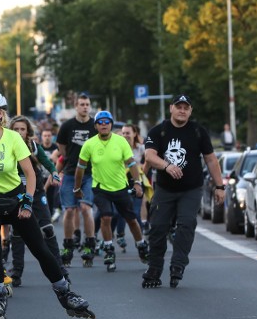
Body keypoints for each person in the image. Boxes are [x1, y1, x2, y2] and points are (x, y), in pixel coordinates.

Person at [0, 90, 94, 319]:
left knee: (39, 247)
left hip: (15, 200)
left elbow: (29, 173)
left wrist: (27, 201)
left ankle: (65, 292)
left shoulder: (13, 138)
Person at [143, 94, 225, 289]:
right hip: (165, 189)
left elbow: (211, 159)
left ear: (190, 111)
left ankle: (177, 266)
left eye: (185, 107)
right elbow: (149, 156)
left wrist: (220, 186)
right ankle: (154, 268)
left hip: (191, 189)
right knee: (157, 228)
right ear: (171, 108)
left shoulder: (198, 131)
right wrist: (167, 166)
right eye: (178, 106)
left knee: (186, 225)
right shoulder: (159, 131)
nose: (182, 110)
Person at [74, 111, 148, 272]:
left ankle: (141, 245)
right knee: (106, 217)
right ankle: (109, 250)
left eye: (107, 122)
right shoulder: (89, 144)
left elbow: (131, 164)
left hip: (121, 187)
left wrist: (137, 183)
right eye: (100, 122)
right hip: (100, 188)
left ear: (111, 124)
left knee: (131, 219)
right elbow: (80, 169)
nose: (104, 124)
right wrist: (77, 188)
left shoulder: (121, 142)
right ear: (96, 126)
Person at [8, 115, 67, 287]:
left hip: (36, 191)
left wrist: (54, 172)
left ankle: (61, 270)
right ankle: (16, 271)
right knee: (17, 232)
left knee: (47, 229)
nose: (19, 132)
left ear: (28, 132)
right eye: (16, 129)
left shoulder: (33, 146)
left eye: (22, 129)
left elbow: (47, 162)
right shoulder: (6, 146)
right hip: (17, 192)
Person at [56, 93, 97, 266]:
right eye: (82, 104)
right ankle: (68, 244)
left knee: (86, 208)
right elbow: (61, 148)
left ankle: (89, 244)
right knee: (69, 211)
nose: (85, 107)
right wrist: (70, 161)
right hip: (71, 172)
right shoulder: (67, 126)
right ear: (76, 106)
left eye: (87, 104)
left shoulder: (95, 125)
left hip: (89, 174)